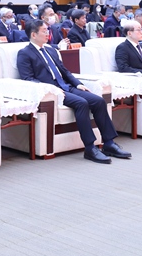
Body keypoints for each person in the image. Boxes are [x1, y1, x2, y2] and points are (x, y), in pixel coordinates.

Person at [18, 19, 131, 163]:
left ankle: (109, 143)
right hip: (52, 92)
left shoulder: (51, 50)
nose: (48, 33)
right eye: (44, 31)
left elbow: (65, 71)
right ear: (33, 35)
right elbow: (28, 78)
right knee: (81, 103)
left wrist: (78, 84)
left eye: (48, 30)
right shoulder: (25, 53)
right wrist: (50, 89)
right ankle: (90, 148)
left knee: (98, 101)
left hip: (66, 87)